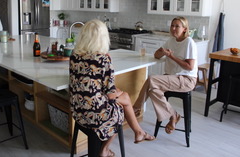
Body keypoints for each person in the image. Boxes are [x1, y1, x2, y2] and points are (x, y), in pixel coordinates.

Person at [69, 19, 154, 157]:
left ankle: (139, 133)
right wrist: (117, 92)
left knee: (124, 97)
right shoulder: (103, 60)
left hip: (77, 110)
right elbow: (110, 94)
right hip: (94, 115)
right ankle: (105, 149)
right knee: (120, 110)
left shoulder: (74, 56)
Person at [134, 16, 198, 134]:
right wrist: (162, 52)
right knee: (153, 90)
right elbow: (156, 55)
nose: (173, 28)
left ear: (184, 29)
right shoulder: (171, 40)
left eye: (177, 26)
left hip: (186, 79)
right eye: (172, 26)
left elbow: (189, 67)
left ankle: (136, 108)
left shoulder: (189, 42)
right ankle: (173, 115)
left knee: (151, 79)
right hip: (171, 77)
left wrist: (171, 56)